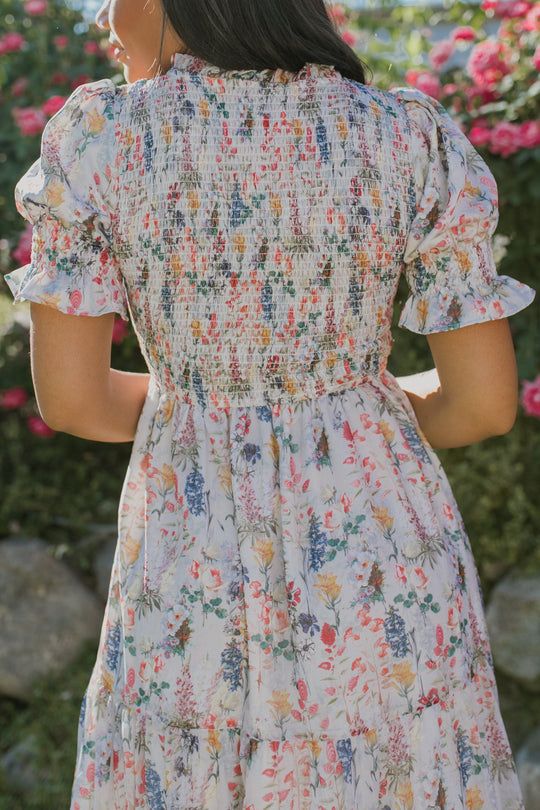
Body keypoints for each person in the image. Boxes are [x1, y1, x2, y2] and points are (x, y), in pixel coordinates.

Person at [5, 0, 536, 806]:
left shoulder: (100, 139)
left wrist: (213, 401)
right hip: (384, 565)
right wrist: (347, 411)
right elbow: (482, 406)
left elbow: (78, 402)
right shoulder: (407, 137)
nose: (105, 17)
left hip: (191, 564)